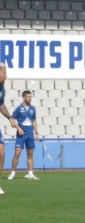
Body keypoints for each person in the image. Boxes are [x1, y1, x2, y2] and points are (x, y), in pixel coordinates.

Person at [8, 90, 40, 180]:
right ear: (24, 97)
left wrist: (36, 132)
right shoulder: (18, 108)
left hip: (30, 133)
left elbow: (34, 120)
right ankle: (12, 173)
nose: (30, 98)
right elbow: (12, 120)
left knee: (30, 154)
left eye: (31, 97)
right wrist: (18, 128)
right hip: (21, 133)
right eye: (29, 97)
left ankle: (30, 173)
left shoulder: (33, 108)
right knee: (17, 153)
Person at [0, 63, 20, 194]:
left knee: (1, 152)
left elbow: (1, 105)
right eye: (4, 73)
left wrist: (10, 117)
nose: (6, 76)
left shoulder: (2, 89)